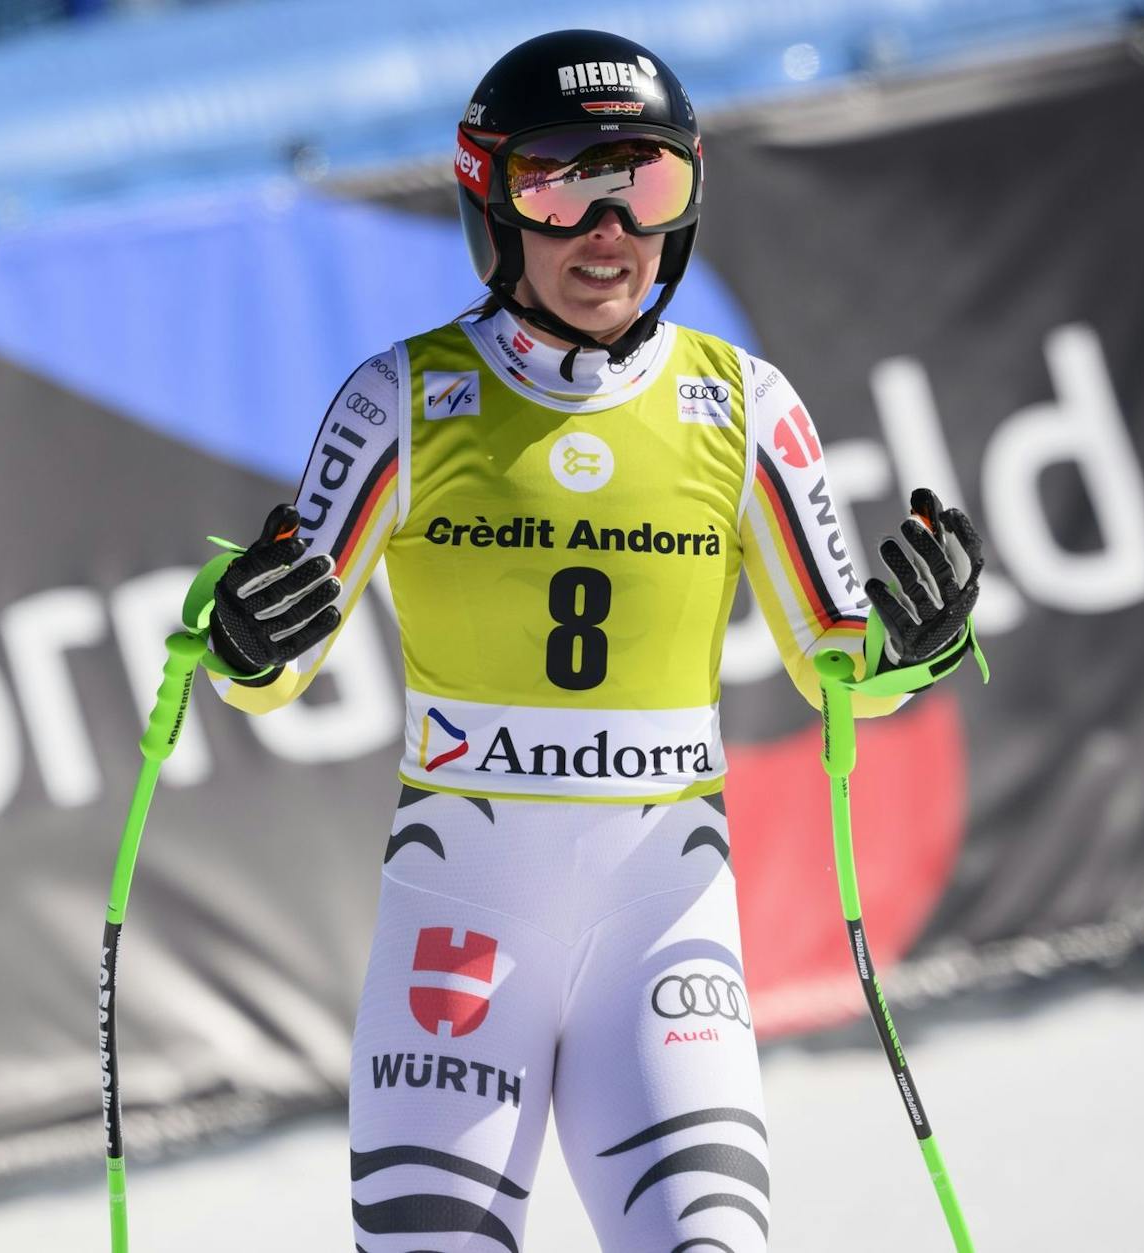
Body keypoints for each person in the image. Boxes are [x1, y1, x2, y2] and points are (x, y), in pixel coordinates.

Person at [204, 29, 985, 1253]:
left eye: (646, 184)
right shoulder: (402, 398)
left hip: (661, 929)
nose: (608, 231)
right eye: (559, 188)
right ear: (490, 202)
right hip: (461, 925)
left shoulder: (743, 405)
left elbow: (838, 662)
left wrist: (918, 637)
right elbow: (268, 665)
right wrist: (240, 637)